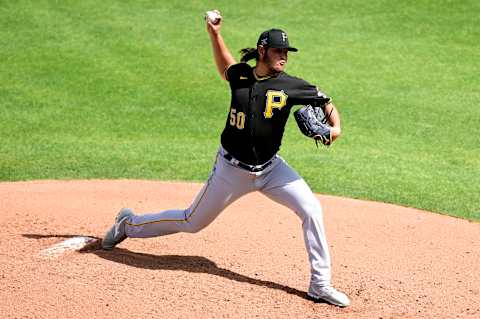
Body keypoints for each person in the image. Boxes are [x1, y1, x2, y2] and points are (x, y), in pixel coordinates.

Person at [102, 10, 350, 307]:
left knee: (311, 209)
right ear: (262, 51)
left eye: (286, 51)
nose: (283, 56)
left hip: (271, 170)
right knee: (191, 221)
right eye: (278, 50)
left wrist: (335, 129)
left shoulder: (292, 85)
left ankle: (320, 284)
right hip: (230, 170)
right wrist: (215, 34)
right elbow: (225, 67)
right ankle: (127, 224)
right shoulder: (241, 76)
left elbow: (326, 102)